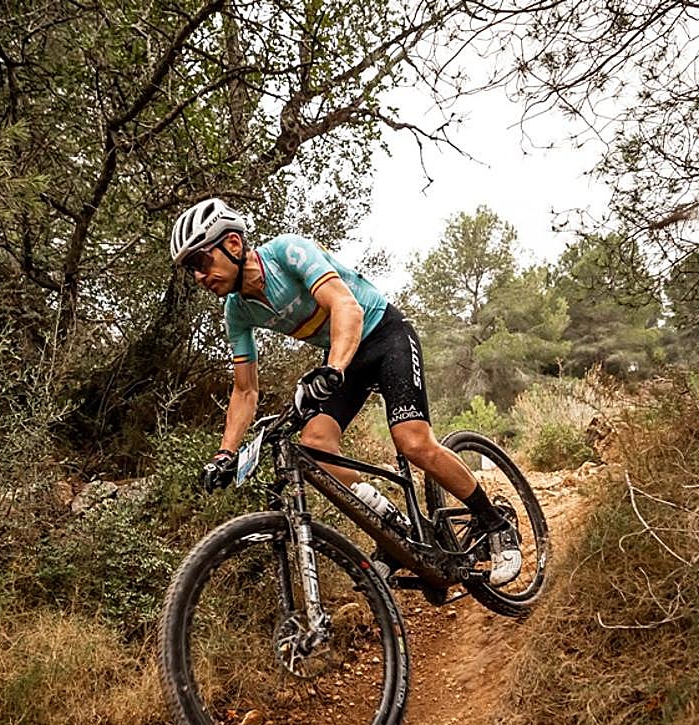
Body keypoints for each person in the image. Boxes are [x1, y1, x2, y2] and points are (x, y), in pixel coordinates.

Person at [170, 198, 521, 585]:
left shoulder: (289, 253)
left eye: (201, 262)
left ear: (233, 245)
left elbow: (346, 307)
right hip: (343, 356)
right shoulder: (237, 311)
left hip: (384, 335)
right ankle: (395, 528)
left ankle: (496, 522)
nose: (199, 277)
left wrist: (333, 369)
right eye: (191, 270)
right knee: (315, 445)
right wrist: (226, 454)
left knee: (413, 443)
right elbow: (244, 390)